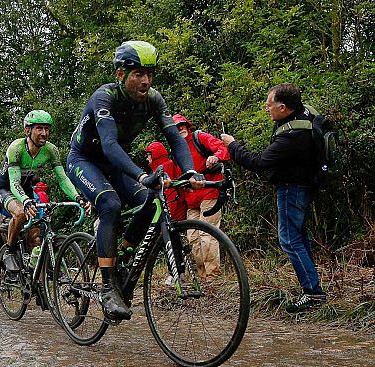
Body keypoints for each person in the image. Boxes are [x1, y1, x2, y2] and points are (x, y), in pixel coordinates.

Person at [66, 41, 203, 320]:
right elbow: (108, 143)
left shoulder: (154, 99)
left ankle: (124, 254)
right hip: (85, 159)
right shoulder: (103, 97)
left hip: (115, 161)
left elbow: (176, 138)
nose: (146, 81)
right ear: (120, 75)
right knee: (110, 204)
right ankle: (107, 288)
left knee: (153, 200)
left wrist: (189, 172)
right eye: (138, 73)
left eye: (150, 74)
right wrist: (141, 174)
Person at [221, 83, 327, 313]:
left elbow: (258, 163)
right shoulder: (305, 115)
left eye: (269, 105)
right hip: (306, 185)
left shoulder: (292, 136)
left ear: (283, 107)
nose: (266, 108)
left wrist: (232, 146)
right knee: (299, 237)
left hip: (292, 189)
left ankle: (313, 293)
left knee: (289, 239)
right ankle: (312, 288)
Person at [0, 109, 90, 283]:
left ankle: (38, 283)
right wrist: (25, 201)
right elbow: (14, 182)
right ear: (27, 130)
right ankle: (9, 250)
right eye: (39, 128)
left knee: (36, 236)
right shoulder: (16, 148)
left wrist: (78, 197)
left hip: (26, 190)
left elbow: (62, 178)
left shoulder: (50, 150)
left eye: (47, 129)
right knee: (21, 213)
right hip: (5, 188)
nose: (44, 133)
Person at [172, 114, 231, 281]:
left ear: (187, 126)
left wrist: (216, 157)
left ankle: (213, 276)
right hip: (191, 198)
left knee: (207, 234)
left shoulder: (200, 137)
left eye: (182, 125)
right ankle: (202, 275)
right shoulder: (176, 151)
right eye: (176, 127)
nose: (180, 129)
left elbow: (224, 148)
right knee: (192, 237)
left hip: (210, 192)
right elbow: (178, 176)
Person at [145, 141, 187, 221]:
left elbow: (170, 192)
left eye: (149, 155)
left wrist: (169, 215)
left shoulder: (166, 166)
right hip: (174, 207)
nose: (147, 158)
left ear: (155, 155)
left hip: (176, 209)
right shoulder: (161, 167)